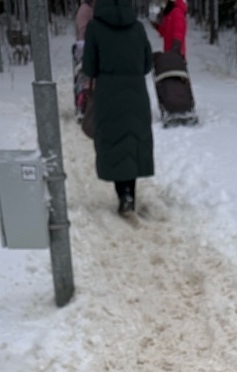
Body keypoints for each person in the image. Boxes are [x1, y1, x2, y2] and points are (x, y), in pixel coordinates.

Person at [82, 0, 154, 216]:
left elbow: (89, 67)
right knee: (132, 142)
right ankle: (130, 194)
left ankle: (123, 193)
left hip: (108, 94)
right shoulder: (138, 27)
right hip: (136, 94)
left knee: (113, 142)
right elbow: (147, 64)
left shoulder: (95, 28)